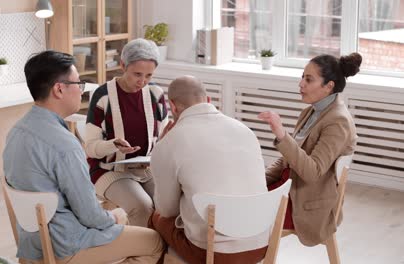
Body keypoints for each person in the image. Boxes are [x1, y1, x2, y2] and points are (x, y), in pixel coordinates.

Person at [3, 50, 163, 263]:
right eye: (78, 84)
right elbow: (90, 216)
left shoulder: (16, 131)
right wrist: (114, 217)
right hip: (66, 244)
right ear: (59, 89)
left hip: (33, 242)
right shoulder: (65, 145)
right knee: (154, 241)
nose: (81, 91)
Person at [150, 75, 268, 264]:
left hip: (213, 253)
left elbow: (167, 210)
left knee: (156, 217)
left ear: (172, 106)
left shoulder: (169, 143)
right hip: (261, 246)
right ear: (208, 100)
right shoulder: (244, 130)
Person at [258, 52, 361, 246]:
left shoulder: (338, 122)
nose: (301, 84)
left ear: (329, 86)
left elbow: (312, 172)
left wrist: (281, 134)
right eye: (302, 77)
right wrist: (259, 180)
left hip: (305, 203)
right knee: (241, 196)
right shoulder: (311, 111)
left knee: (241, 213)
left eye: (308, 79)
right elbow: (289, 159)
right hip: (288, 186)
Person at [85, 38, 168, 227]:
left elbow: (162, 137)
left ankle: (160, 251)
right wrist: (112, 144)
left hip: (146, 169)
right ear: (123, 65)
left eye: (148, 75)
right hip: (108, 170)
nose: (143, 81)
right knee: (142, 206)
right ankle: (142, 254)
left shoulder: (156, 93)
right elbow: (90, 149)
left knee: (168, 204)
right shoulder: (103, 96)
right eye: (137, 74)